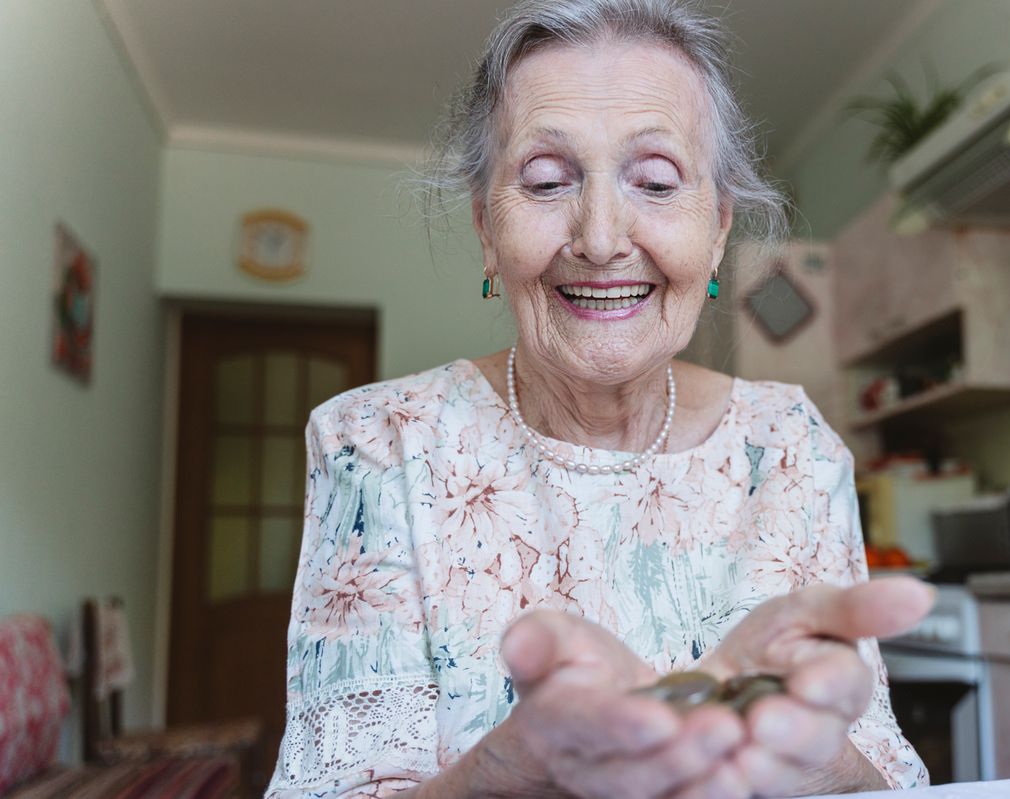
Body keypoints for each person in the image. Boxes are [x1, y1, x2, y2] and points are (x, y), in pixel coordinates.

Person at [266, 1, 933, 796]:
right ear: (487, 228)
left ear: (718, 227)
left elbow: (890, 779)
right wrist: (506, 773)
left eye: (654, 181)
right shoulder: (378, 442)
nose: (602, 236)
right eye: (547, 181)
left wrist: (816, 760)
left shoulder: (789, 445)